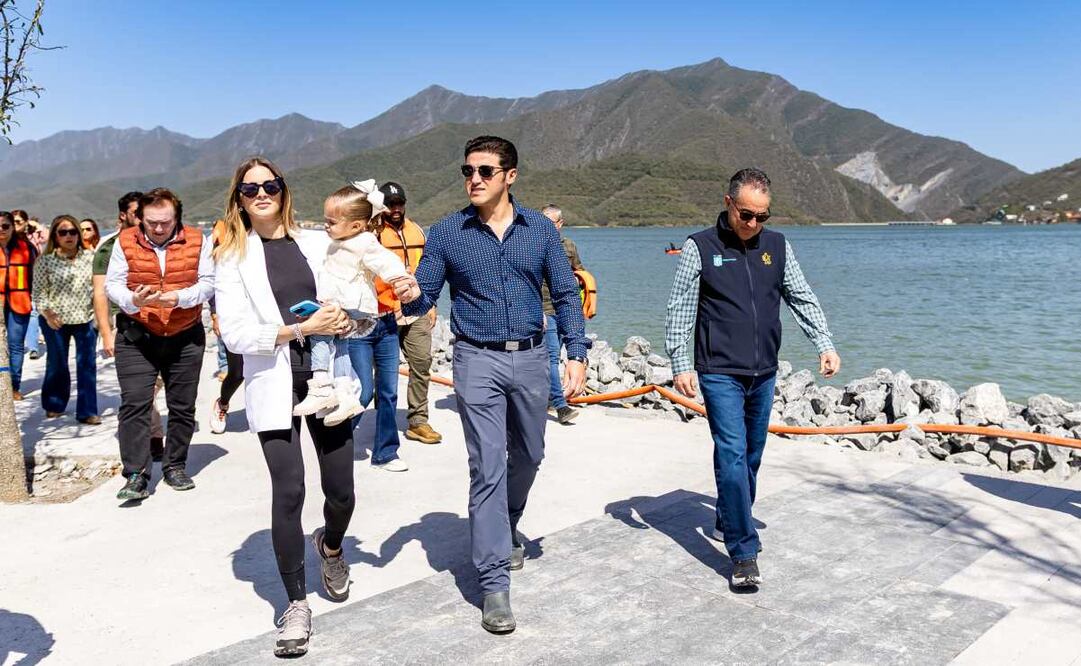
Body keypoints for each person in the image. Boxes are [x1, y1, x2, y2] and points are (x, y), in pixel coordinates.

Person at [395, 136, 590, 634]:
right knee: (486, 466)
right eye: (468, 170)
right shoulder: (446, 233)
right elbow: (423, 299)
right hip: (475, 358)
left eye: (485, 170)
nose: (474, 179)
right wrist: (410, 295)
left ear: (510, 176)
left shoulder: (540, 230)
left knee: (530, 454)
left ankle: (507, 521)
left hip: (529, 359)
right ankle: (494, 583)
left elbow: (566, 292)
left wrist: (577, 352)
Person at [664, 168, 841, 589]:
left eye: (763, 216)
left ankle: (729, 517)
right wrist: (680, 364)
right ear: (729, 204)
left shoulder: (777, 246)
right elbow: (680, 307)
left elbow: (800, 295)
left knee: (753, 454)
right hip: (719, 370)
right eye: (747, 214)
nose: (754, 224)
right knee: (731, 452)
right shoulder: (700, 247)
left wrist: (824, 343)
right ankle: (743, 552)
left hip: (764, 369)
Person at [214, 156, 360, 657]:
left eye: (269, 185)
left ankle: (332, 546)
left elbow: (358, 304)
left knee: (342, 492)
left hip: (329, 381)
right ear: (238, 198)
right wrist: (300, 329)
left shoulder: (320, 243)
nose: (261, 193)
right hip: (274, 384)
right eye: (249, 188)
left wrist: (345, 318)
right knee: (290, 490)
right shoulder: (231, 258)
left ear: (283, 190)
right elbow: (234, 334)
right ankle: (295, 603)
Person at [105, 188, 214, 501]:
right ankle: (136, 474)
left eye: (165, 222)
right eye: (151, 222)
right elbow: (112, 284)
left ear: (176, 217)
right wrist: (132, 300)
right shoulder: (124, 241)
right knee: (134, 404)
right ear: (140, 218)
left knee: (182, 405)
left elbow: (208, 281)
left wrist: (180, 297)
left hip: (185, 332)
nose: (158, 228)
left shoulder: (197, 239)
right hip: (137, 333)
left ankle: (175, 466)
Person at [291, 181, 407, 435]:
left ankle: (322, 386)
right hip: (344, 304)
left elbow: (386, 261)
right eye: (326, 220)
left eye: (331, 222)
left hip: (354, 305)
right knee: (340, 348)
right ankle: (342, 395)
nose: (326, 225)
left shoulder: (363, 241)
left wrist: (400, 279)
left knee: (321, 336)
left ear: (355, 225)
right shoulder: (337, 241)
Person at [94, 192, 165, 457]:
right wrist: (105, 333)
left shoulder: (158, 242)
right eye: (137, 213)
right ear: (124, 215)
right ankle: (151, 438)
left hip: (160, 320)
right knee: (138, 385)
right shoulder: (108, 248)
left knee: (157, 382)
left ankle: (150, 430)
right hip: (123, 322)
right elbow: (100, 292)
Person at [372, 181, 443, 445]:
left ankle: (418, 421)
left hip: (417, 310)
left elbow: (430, 272)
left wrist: (432, 303)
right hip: (384, 312)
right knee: (385, 370)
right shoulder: (373, 232)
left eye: (399, 203)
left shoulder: (417, 231)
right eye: (389, 205)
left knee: (422, 363)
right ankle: (384, 418)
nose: (395, 209)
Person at [31, 215, 99, 424]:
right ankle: (54, 403)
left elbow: (99, 290)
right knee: (57, 363)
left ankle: (87, 411)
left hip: (86, 319)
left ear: (79, 234)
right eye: (63, 232)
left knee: (87, 364)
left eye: (73, 232)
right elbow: (39, 293)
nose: (68, 236)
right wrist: (48, 314)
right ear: (55, 236)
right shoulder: (45, 260)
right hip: (55, 321)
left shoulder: (90, 258)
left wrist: (101, 316)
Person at [540, 203, 585, 425]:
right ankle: (560, 406)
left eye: (550, 222)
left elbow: (580, 273)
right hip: (543, 310)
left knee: (555, 355)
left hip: (564, 310)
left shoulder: (569, 247)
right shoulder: (533, 246)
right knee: (550, 356)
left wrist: (584, 304)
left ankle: (547, 398)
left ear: (560, 224)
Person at [208, 219, 245, 435]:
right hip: (233, 317)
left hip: (262, 318)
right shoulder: (221, 252)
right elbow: (213, 288)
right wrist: (215, 315)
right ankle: (222, 404)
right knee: (238, 372)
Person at [1, 210, 38, 401]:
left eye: (6, 226)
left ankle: (14, 386)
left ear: (12, 227)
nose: (1, 230)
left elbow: (36, 275)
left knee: (15, 346)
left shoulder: (26, 247)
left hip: (20, 301)